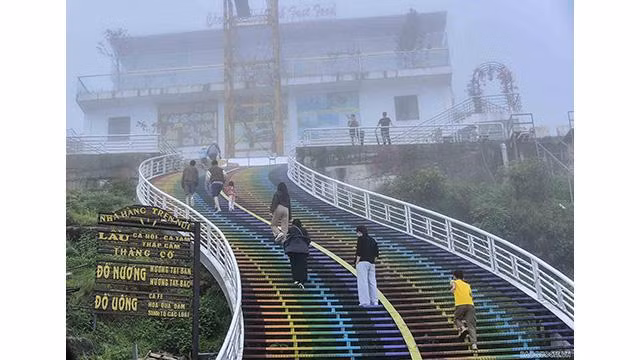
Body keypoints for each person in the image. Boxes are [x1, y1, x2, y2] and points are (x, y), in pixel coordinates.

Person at [450, 270, 478, 351]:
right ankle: (474, 345)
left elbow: (453, 286)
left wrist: (452, 290)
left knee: (456, 319)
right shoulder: (467, 285)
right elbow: (471, 296)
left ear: (455, 276)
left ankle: (462, 328)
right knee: (471, 325)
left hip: (460, 304)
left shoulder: (453, 281)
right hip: (470, 305)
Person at [354, 225, 379, 307]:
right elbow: (376, 254)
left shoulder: (361, 239)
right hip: (371, 263)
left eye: (357, 232)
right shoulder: (373, 240)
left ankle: (365, 301)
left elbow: (359, 252)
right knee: (372, 282)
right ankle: (375, 301)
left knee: (363, 282)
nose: (357, 234)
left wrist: (357, 262)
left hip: (362, 262)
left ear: (360, 232)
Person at [283, 219, 311, 289]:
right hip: (303, 250)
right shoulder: (303, 230)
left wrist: (286, 248)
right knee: (303, 265)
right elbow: (308, 240)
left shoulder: (290, 229)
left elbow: (286, 239)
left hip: (292, 250)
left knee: (294, 265)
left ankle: (296, 279)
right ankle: (303, 279)